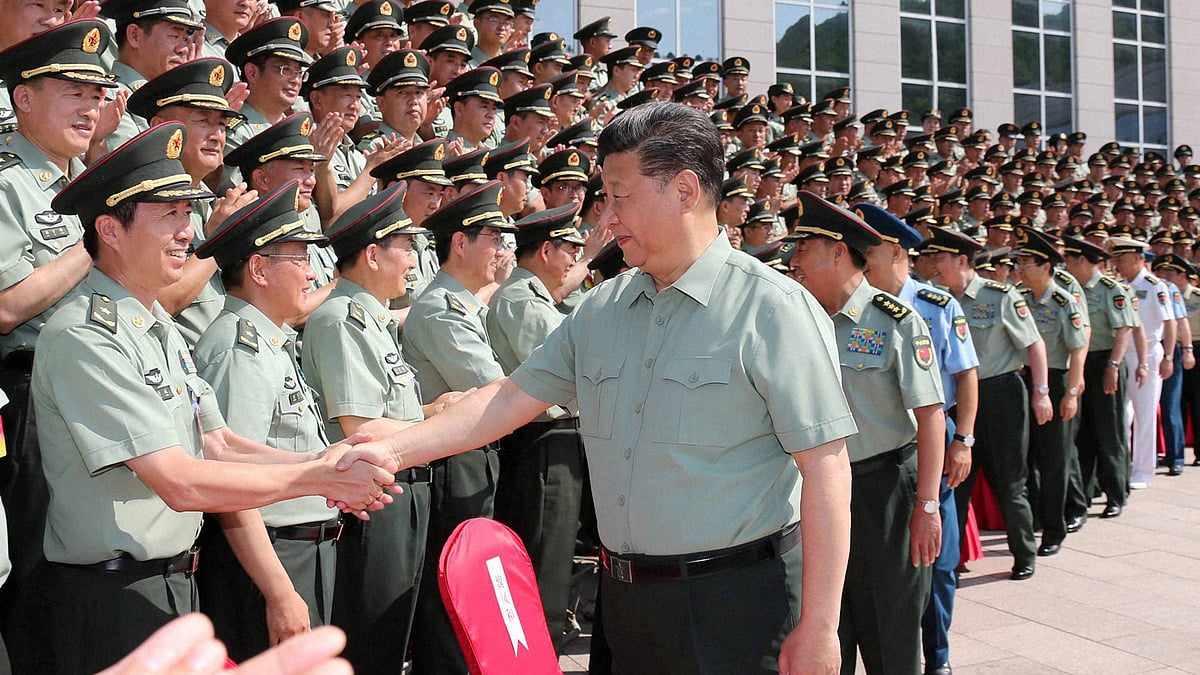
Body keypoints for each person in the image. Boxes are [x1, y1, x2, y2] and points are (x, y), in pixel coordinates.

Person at [337, 101, 857, 674]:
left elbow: (826, 468)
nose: (606, 219)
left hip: (736, 602)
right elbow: (509, 398)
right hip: (626, 603)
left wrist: (820, 625)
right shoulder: (604, 308)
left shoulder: (773, 309)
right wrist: (393, 451)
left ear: (684, 190)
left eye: (620, 196)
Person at [31, 122, 395, 674]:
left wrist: (326, 459)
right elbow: (179, 481)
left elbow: (219, 443)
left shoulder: (157, 326)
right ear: (109, 229)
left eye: (188, 213)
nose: (187, 232)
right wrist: (317, 479)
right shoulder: (86, 336)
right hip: (111, 599)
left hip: (174, 585)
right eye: (168, 215)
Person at [0, 20, 121, 669]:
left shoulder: (87, 185)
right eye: (72, 91)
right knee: (35, 578)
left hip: (101, 390)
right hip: (35, 397)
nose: (89, 106)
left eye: (97, 93)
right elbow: (6, 307)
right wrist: (92, 245)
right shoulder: (8, 182)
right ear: (22, 97)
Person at [302, 182, 458, 674]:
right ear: (372, 255)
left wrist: (431, 411)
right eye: (406, 248)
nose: (414, 261)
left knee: (392, 638)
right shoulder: (341, 320)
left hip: (399, 490)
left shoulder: (371, 319)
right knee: (371, 641)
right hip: (373, 500)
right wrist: (438, 418)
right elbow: (362, 426)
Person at [787, 194, 945, 675]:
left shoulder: (895, 320)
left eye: (804, 249)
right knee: (826, 630)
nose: (793, 261)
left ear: (838, 252)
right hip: (816, 492)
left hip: (884, 494)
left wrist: (927, 506)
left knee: (890, 635)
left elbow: (931, 416)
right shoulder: (798, 318)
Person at [190, 180, 345, 661]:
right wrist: (279, 592)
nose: (312, 273)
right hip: (272, 559)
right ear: (258, 268)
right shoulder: (239, 349)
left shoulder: (268, 340)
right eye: (299, 259)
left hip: (300, 551)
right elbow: (231, 486)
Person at [858, 203, 979, 675]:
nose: (860, 259)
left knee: (937, 555)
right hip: (880, 441)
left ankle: (938, 655)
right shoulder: (857, 304)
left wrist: (963, 438)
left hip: (934, 433)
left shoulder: (936, 304)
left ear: (894, 252)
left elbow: (965, 374)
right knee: (894, 562)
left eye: (868, 251)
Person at [402, 180, 515, 673]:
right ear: (460, 243)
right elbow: (492, 387)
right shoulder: (441, 309)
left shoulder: (463, 304)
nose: (502, 250)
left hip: (470, 455)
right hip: (453, 461)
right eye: (493, 238)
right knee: (449, 596)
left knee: (464, 591)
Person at [487, 204, 588, 650]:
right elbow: (562, 373)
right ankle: (536, 651)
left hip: (553, 438)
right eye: (570, 250)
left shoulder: (534, 297)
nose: (574, 262)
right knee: (543, 555)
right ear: (546, 250)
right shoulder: (521, 300)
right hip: (542, 440)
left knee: (552, 553)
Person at [925, 225, 1051, 580]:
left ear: (961, 260)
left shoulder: (1000, 296)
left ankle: (1024, 554)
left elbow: (1034, 343)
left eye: (940, 257)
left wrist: (1041, 392)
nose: (933, 265)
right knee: (955, 481)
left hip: (1000, 396)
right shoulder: (936, 300)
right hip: (958, 399)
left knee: (1010, 482)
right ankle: (952, 559)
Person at [1010, 227, 1088, 557]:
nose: (1020, 269)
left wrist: (1071, 393)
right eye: (1019, 263)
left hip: (1056, 382)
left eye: (1026, 263)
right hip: (1024, 379)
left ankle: (1055, 528)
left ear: (1045, 267)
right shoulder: (1019, 297)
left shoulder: (1064, 301)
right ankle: (1037, 518)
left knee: (1055, 459)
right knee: (1027, 456)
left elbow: (1078, 348)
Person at [1112, 236, 1175, 489]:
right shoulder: (1121, 285)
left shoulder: (1154, 286)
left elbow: (1169, 322)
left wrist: (1168, 356)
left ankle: (1143, 471)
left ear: (1138, 259)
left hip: (1147, 354)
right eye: (1117, 259)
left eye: (1123, 259)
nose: (1118, 264)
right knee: (1122, 413)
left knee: (1145, 414)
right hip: (1122, 354)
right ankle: (1123, 466)